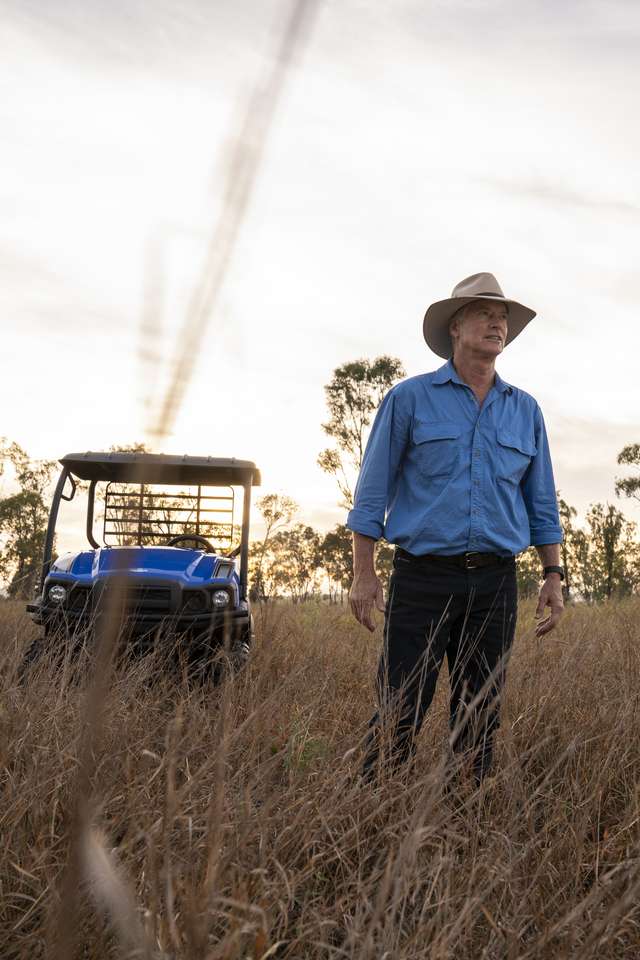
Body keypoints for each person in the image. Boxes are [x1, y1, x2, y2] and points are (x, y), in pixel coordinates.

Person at [346, 272, 564, 785]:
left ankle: (465, 821)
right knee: (400, 705)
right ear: (456, 326)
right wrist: (363, 572)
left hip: (495, 584)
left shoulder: (525, 410)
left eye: (504, 317)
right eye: (486, 313)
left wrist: (553, 576)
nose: (498, 323)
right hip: (423, 578)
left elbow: (541, 503)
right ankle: (375, 812)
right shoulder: (410, 399)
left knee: (480, 714)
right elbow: (372, 493)